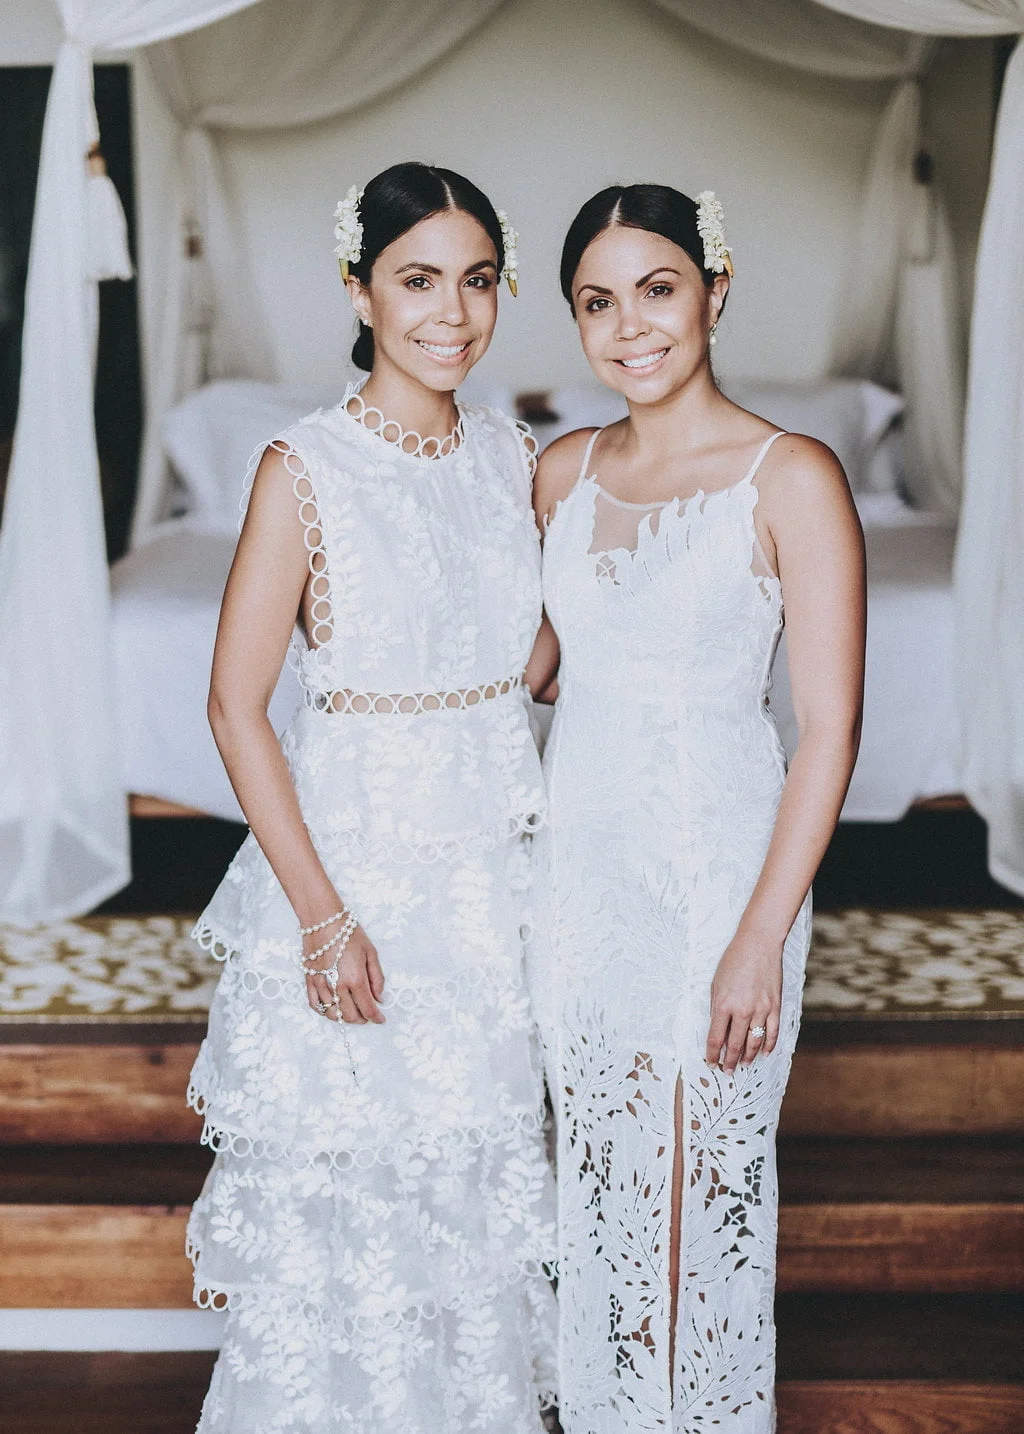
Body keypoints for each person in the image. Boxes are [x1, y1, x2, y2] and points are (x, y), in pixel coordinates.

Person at [187, 162, 556, 1433]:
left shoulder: (515, 456)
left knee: (475, 1203)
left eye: (477, 280)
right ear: (359, 290)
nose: (451, 312)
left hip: (494, 885)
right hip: (363, 881)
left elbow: (535, 661)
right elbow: (235, 706)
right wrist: (322, 916)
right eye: (417, 280)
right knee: (357, 1208)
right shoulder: (304, 469)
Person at [525, 184, 865, 1432]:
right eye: (597, 302)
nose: (630, 326)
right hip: (578, 876)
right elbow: (536, 670)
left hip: (717, 876)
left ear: (714, 291)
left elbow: (829, 729)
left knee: (698, 1184)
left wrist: (759, 935)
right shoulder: (560, 472)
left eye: (657, 289)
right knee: (600, 1186)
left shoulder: (791, 476)